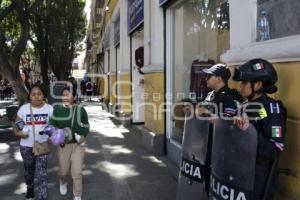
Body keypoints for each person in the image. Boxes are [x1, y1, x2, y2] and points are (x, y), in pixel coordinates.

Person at [233, 58, 287, 199]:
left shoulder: (271, 109)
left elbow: (276, 148)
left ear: (257, 84)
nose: (241, 86)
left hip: (258, 179)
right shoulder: (244, 106)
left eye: (245, 82)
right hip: (238, 173)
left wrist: (250, 132)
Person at [198, 64, 242, 196]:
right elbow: (201, 112)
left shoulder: (232, 96)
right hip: (207, 143)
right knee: (206, 179)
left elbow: (229, 122)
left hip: (222, 148)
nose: (206, 79)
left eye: (209, 76)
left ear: (219, 78)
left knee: (219, 181)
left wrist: (207, 113)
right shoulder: (210, 95)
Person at [50, 86, 90, 200]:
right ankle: (62, 182)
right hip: (63, 145)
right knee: (63, 171)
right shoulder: (57, 109)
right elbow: (52, 123)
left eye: (68, 94)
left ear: (74, 97)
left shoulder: (80, 109)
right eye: (63, 95)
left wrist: (83, 135)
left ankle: (77, 195)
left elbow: (86, 124)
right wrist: (54, 132)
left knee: (77, 171)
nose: (65, 97)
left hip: (78, 145)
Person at [15, 84, 53, 200]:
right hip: (26, 146)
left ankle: (42, 197)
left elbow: (54, 126)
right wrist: (18, 132)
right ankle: (30, 188)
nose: (36, 97)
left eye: (39, 94)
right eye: (33, 94)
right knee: (29, 171)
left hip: (42, 146)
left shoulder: (49, 109)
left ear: (43, 95)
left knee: (42, 174)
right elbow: (17, 124)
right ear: (29, 96)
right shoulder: (24, 109)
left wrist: (51, 131)